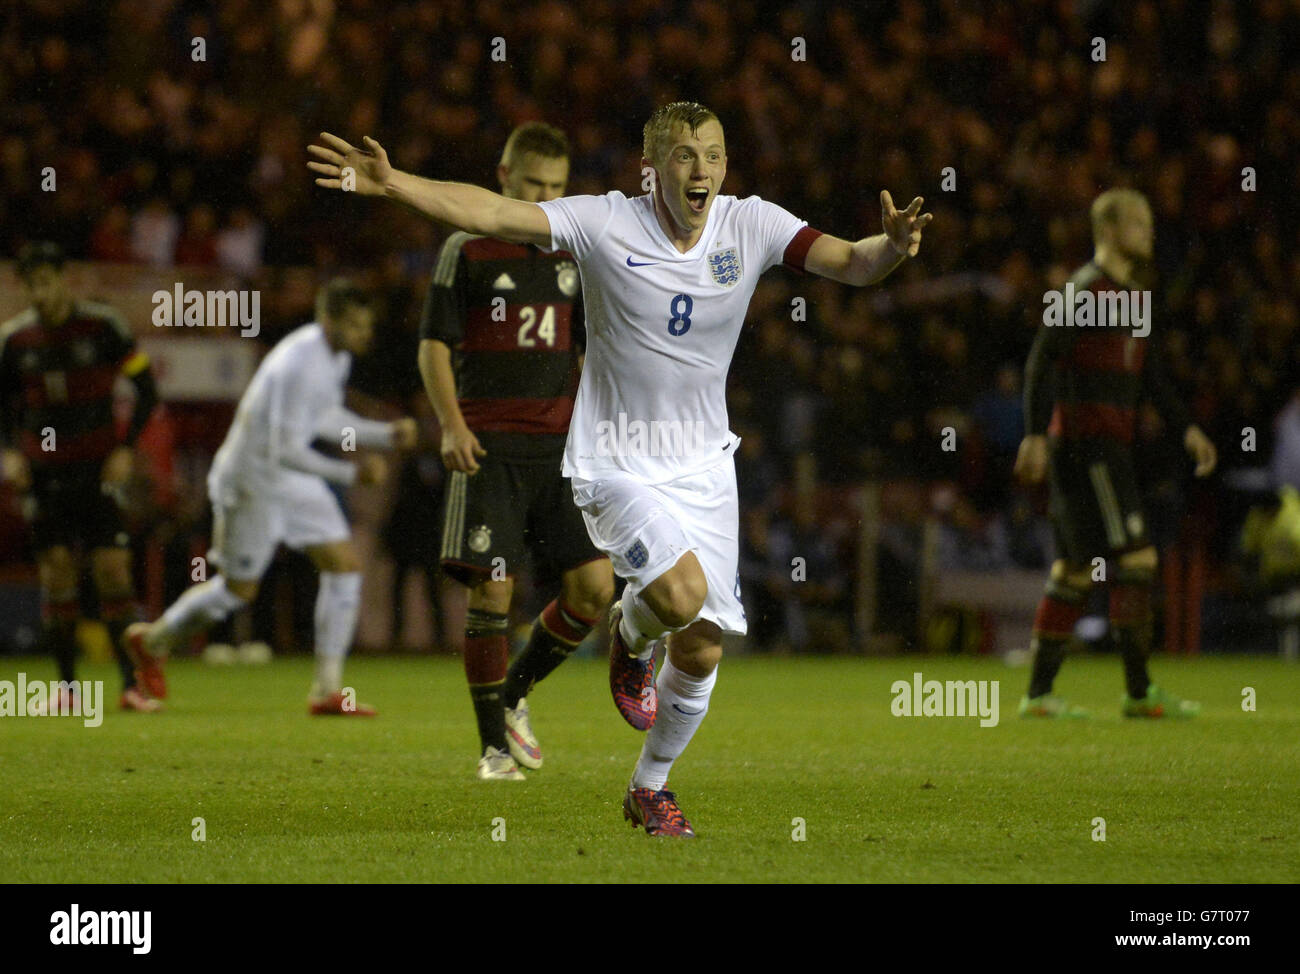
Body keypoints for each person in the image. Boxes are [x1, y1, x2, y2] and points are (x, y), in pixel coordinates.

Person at [308, 101, 931, 834]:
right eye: (684, 155)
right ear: (651, 168)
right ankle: (629, 636)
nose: (701, 169)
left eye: (714, 155)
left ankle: (649, 787)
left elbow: (852, 262)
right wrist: (395, 186)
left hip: (704, 465)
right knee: (678, 594)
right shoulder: (605, 222)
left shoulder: (751, 224)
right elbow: (496, 214)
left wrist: (890, 247)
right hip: (615, 458)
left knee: (700, 647)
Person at [418, 122, 613, 781]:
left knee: (595, 590)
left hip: (558, 452)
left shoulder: (570, 256)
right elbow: (434, 345)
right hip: (489, 449)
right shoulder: (466, 247)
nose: (546, 197)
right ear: (504, 178)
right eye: (534, 184)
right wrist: (450, 424)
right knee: (493, 595)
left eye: (557, 188)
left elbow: (585, 350)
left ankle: (514, 692)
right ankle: (492, 752)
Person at [124, 279, 418, 715]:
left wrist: (381, 434)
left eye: (366, 325)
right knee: (237, 590)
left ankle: (327, 690)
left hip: (290, 478)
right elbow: (286, 448)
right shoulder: (299, 362)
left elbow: (321, 419)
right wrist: (350, 471)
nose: (363, 334)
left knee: (344, 565)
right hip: (252, 479)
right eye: (354, 325)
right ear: (328, 320)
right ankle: (151, 641)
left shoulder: (334, 357)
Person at [1013, 188, 1218, 718]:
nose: (1149, 232)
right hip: (1090, 446)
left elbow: (1149, 375)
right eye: (1138, 223)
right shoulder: (1081, 289)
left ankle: (1038, 696)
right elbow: (1039, 363)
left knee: (1075, 569)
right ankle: (1138, 691)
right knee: (1137, 558)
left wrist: (1187, 428)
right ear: (1108, 231)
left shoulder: (1134, 296)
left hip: (1102, 444)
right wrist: (1034, 435)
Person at [0, 242, 161, 713]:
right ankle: (68, 690)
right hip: (45, 475)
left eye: (47, 280)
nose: (40, 292)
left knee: (112, 572)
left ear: (63, 279)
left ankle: (131, 686)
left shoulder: (103, 327)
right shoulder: (14, 341)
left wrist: (126, 450)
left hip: (97, 470)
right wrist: (11, 452)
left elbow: (146, 390)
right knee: (56, 577)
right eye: (31, 284)